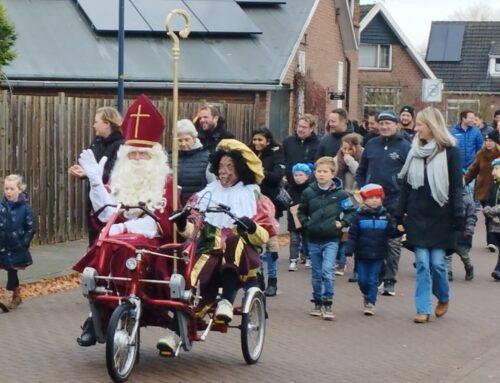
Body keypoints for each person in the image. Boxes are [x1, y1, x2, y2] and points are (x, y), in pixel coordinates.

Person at [73, 94, 175, 347]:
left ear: (155, 157)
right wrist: (96, 184)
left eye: (143, 154)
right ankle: (95, 312)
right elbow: (106, 215)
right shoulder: (119, 179)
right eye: (133, 154)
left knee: (125, 247)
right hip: (118, 239)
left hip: (153, 244)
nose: (138, 159)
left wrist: (123, 227)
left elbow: (159, 223)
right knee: (101, 248)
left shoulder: (166, 182)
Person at [166, 139, 277, 352]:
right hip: (210, 251)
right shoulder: (206, 194)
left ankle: (226, 300)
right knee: (192, 284)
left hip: (242, 257)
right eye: (221, 167)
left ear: (240, 170)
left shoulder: (253, 196)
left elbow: (263, 236)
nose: (224, 172)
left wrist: (251, 227)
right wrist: (181, 222)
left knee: (234, 241)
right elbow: (193, 231)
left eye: (229, 167)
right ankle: (174, 333)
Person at [397, 106, 464, 324]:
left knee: (437, 263)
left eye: (420, 125)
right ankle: (423, 308)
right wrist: (399, 213)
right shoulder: (415, 150)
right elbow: (406, 185)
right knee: (423, 263)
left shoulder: (451, 152)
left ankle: (443, 297)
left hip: (441, 213)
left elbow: (456, 186)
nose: (416, 129)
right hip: (417, 213)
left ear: (432, 126)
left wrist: (458, 214)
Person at [356, 109, 411, 296]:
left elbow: (411, 174)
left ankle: (389, 280)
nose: (385, 126)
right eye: (382, 123)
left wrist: (406, 198)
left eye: (389, 123)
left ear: (396, 125)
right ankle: (379, 274)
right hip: (372, 202)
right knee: (373, 240)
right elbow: (361, 171)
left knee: (393, 243)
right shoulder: (371, 144)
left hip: (396, 200)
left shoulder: (405, 146)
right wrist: (364, 189)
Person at [298, 156, 355, 320]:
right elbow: (301, 211)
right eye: (318, 171)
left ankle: (328, 301)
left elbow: (351, 212)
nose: (321, 175)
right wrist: (306, 223)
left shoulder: (340, 194)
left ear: (332, 174)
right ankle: (317, 301)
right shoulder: (308, 192)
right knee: (316, 273)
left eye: (325, 172)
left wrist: (343, 222)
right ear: (314, 173)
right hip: (313, 238)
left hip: (331, 238)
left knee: (327, 271)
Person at [68, 106, 124, 245]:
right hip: (93, 200)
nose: (94, 125)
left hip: (109, 202)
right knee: (93, 239)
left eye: (96, 121)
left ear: (107, 123)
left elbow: (113, 174)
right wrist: (81, 171)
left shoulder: (120, 146)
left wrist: (89, 173)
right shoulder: (96, 142)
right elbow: (91, 167)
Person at [344, 184, 399, 316]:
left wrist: (398, 230)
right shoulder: (358, 217)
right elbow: (352, 235)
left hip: (379, 254)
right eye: (371, 198)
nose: (374, 200)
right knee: (362, 280)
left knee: (372, 279)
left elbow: (391, 233)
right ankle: (366, 293)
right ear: (364, 200)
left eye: (377, 197)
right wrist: (348, 251)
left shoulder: (385, 216)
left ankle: (370, 303)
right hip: (362, 254)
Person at [249, 127, 285, 297]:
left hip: (270, 206)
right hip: (252, 205)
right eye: (255, 139)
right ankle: (258, 277)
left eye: (260, 140)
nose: (257, 143)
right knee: (256, 244)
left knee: (271, 245)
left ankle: (273, 279)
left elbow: (277, 176)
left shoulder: (276, 155)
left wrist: (258, 171)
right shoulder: (249, 154)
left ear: (268, 141)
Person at [0, 174, 36, 310]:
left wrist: (24, 243)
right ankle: (16, 295)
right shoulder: (1, 207)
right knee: (8, 267)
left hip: (16, 246)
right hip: (2, 245)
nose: (8, 192)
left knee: (12, 270)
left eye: (12, 189)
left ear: (20, 190)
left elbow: (31, 227)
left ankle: (13, 295)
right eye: (6, 189)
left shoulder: (25, 208)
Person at [464, 131, 500, 251]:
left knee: (496, 214)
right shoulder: (481, 154)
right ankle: (491, 242)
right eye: (486, 141)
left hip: (497, 188)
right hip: (484, 189)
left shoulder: (499, 154)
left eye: (491, 141)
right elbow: (473, 170)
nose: (488, 143)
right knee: (488, 215)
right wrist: (463, 182)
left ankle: (495, 239)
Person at [333, 133, 364, 276]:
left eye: (349, 149)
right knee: (343, 231)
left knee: (356, 232)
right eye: (343, 148)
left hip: (357, 199)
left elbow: (360, 173)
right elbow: (332, 173)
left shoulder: (362, 157)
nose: (345, 152)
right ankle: (341, 262)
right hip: (342, 198)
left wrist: (350, 161)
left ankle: (357, 266)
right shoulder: (338, 158)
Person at [176, 119, 214, 205]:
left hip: (198, 207)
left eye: (186, 139)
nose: (183, 143)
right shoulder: (171, 158)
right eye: (180, 140)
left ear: (194, 138)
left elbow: (212, 185)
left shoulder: (207, 158)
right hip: (176, 209)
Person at [445, 187, 476, 282]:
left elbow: (471, 216)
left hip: (462, 233)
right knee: (447, 255)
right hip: (449, 231)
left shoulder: (467, 199)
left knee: (464, 255)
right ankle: (448, 272)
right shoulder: (447, 197)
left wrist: (469, 229)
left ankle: (469, 267)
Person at [287, 163, 312, 271]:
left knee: (307, 239)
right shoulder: (290, 188)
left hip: (306, 217)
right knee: (294, 240)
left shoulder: (310, 189)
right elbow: (286, 201)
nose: (298, 178)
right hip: (293, 218)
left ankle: (308, 258)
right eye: (296, 175)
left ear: (307, 176)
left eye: (301, 175)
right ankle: (293, 260)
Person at [282, 113, 320, 185]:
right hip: (289, 184)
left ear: (311, 129)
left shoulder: (318, 144)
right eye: (299, 126)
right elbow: (282, 159)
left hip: (309, 184)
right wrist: (282, 174)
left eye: (304, 127)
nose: (300, 129)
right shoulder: (288, 141)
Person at [482, 158, 500, 281]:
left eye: (496, 168)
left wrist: (492, 210)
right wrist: (486, 207)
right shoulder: (494, 184)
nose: (493, 172)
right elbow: (487, 199)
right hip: (496, 221)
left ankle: (498, 270)